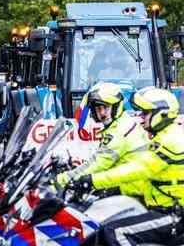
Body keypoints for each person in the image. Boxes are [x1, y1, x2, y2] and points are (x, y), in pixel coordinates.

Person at [75, 87, 184, 246]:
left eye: (145, 113)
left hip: (173, 216)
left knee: (114, 232)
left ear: (162, 113)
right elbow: (140, 173)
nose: (141, 117)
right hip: (163, 209)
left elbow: (136, 169)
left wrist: (92, 180)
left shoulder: (169, 141)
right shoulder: (166, 135)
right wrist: (113, 188)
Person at [57, 82, 150, 186]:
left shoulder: (119, 131)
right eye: (98, 109)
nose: (102, 113)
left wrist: (61, 179)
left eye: (106, 107)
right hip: (131, 183)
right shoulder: (121, 122)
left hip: (131, 188)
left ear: (116, 107)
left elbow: (97, 164)